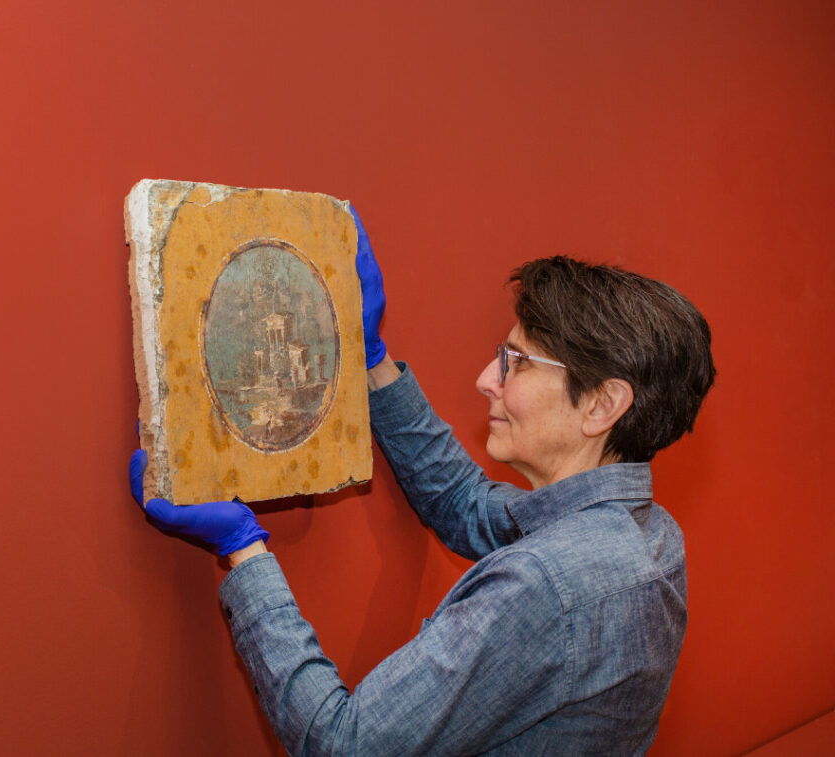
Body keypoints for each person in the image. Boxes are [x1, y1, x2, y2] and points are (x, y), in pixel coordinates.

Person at [128, 207, 716, 755]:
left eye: (517, 363)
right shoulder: (650, 535)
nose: (487, 379)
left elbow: (343, 744)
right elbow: (466, 505)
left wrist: (244, 549)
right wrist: (373, 360)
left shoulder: (543, 587)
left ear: (603, 404)